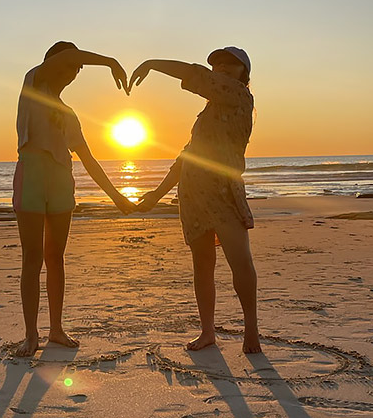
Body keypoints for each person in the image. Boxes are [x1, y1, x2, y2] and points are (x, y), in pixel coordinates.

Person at [132, 47, 261, 353]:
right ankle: (207, 332)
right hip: (193, 197)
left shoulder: (240, 96)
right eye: (217, 63)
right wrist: (155, 195)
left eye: (231, 63)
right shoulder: (207, 113)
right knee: (202, 265)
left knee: (240, 262)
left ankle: (251, 330)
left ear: (244, 72)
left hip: (223, 193)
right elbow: (186, 158)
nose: (222, 66)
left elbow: (195, 75)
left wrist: (153, 61)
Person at [13, 41, 136, 357]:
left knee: (56, 258)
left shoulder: (68, 114)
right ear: (53, 64)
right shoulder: (34, 82)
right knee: (32, 258)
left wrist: (117, 197)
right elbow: (68, 55)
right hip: (32, 175)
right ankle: (31, 335)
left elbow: (88, 159)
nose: (73, 73)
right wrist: (109, 60)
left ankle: (56, 329)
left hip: (60, 182)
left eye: (77, 70)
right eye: (70, 67)